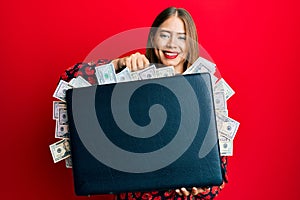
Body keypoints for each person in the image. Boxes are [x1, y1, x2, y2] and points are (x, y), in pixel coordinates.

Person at [60, 6, 228, 200]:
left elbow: (219, 175)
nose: (172, 44)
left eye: (181, 37)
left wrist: (200, 190)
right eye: (164, 35)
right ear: (153, 39)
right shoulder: (129, 78)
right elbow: (68, 78)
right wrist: (119, 64)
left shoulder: (206, 93)